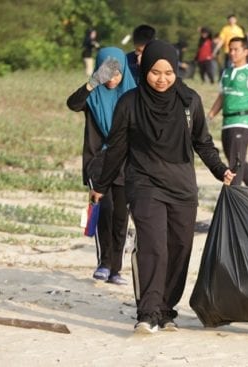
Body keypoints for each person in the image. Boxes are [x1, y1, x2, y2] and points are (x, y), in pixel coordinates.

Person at [88, 40, 235, 333]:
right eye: (155, 72)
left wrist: (220, 170)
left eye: (168, 72)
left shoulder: (189, 100)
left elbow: (202, 142)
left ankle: (166, 308)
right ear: (145, 70)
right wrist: (101, 184)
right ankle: (148, 312)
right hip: (144, 184)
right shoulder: (129, 102)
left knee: (179, 248)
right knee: (154, 247)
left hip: (182, 186)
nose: (162, 78)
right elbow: (117, 148)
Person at [67, 47, 137, 285]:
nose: (112, 79)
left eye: (116, 74)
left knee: (120, 215)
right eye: (107, 73)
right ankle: (104, 264)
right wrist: (92, 82)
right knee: (104, 211)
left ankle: (116, 269)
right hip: (99, 161)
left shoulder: (133, 94)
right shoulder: (93, 95)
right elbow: (73, 104)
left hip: (126, 163)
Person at [207, 37, 248, 187]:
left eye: (236, 49)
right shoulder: (226, 72)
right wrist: (209, 117)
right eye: (230, 49)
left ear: (246, 51)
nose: (232, 53)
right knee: (235, 159)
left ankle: (234, 197)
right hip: (227, 122)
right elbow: (221, 97)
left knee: (235, 163)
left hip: (242, 122)